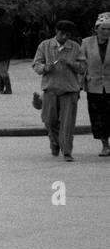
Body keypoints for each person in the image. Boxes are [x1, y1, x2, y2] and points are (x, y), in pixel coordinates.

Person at [33, 20, 86, 161]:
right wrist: (45, 68)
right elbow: (36, 65)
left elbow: (83, 67)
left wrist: (72, 64)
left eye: (68, 34)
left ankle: (67, 151)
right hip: (50, 89)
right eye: (62, 33)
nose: (64, 37)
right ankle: (55, 141)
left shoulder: (75, 47)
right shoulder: (44, 45)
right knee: (49, 121)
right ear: (56, 31)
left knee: (68, 123)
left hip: (70, 90)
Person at [83, 12, 110, 158]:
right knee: (98, 117)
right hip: (94, 86)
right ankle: (105, 144)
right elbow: (81, 62)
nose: (106, 32)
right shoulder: (86, 43)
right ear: (96, 29)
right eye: (103, 29)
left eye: (109, 29)